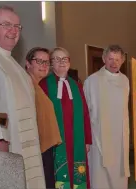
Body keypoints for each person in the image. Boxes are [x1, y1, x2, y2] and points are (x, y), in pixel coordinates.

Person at [0, 5, 46, 188]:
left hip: (27, 148)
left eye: (17, 26)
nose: (13, 31)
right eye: (7, 25)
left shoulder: (11, 62)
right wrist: (1, 147)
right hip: (4, 150)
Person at [39, 47, 92, 189]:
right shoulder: (44, 85)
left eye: (64, 59)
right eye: (56, 59)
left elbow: (85, 114)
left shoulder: (77, 86)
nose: (61, 62)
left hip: (76, 139)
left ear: (69, 62)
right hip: (55, 139)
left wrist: (87, 139)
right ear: (51, 64)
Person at [84, 45, 130, 188]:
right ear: (104, 59)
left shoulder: (125, 80)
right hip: (99, 135)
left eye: (117, 59)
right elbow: (86, 110)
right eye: (110, 58)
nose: (114, 63)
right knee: (100, 174)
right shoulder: (92, 80)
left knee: (119, 172)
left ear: (122, 61)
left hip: (120, 137)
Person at [25, 47, 62, 188]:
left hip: (44, 148)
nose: (44, 65)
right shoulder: (27, 85)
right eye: (39, 61)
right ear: (28, 63)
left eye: (46, 62)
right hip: (37, 149)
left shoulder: (37, 85)